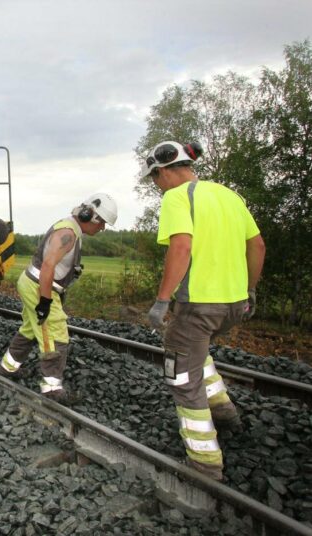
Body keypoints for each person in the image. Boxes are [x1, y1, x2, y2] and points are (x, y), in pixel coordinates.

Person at [142, 140, 266, 481]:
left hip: (199, 306)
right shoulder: (230, 195)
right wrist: (250, 290)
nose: (157, 185)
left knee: (180, 373)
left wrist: (162, 299)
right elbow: (256, 245)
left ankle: (204, 465)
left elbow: (182, 246)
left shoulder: (178, 197)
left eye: (155, 178)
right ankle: (224, 413)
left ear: (165, 170)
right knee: (196, 350)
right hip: (233, 306)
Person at [0, 193, 118, 404]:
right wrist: (45, 302)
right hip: (39, 285)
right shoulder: (68, 233)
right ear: (91, 216)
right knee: (55, 333)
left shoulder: (71, 229)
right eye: (102, 224)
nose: (102, 229)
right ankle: (51, 388)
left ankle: (7, 367)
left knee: (30, 328)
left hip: (34, 283)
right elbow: (48, 266)